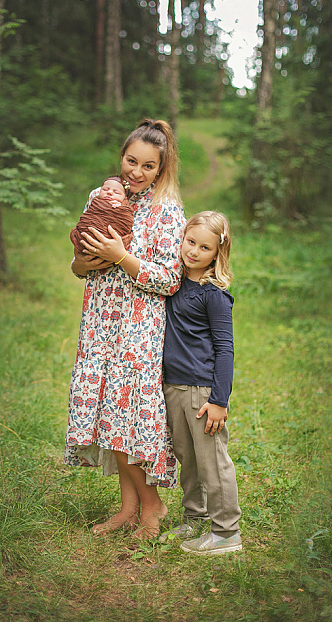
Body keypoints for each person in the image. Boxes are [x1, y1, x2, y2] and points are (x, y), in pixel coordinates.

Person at [65, 118, 185, 540]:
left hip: (138, 327)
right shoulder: (101, 196)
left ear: (161, 168)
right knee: (107, 414)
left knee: (127, 416)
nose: (136, 172)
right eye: (131, 161)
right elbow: (79, 262)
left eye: (148, 166)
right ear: (121, 156)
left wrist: (121, 256)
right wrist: (84, 262)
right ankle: (128, 509)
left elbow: (170, 279)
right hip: (99, 321)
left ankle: (153, 506)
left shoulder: (167, 210)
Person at [160, 211, 243, 555]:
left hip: (201, 391)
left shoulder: (214, 295)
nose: (193, 251)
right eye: (190, 241)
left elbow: (225, 349)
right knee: (188, 458)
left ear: (217, 253)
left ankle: (226, 533)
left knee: (212, 461)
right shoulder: (172, 281)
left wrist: (219, 400)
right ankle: (195, 517)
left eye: (204, 247)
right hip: (173, 386)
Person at [70, 176, 134, 253]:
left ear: (124, 198)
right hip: (86, 237)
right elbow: (87, 217)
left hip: (112, 248)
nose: (109, 192)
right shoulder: (95, 201)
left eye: (116, 192)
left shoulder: (124, 208)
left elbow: (126, 222)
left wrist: (119, 207)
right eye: (105, 189)